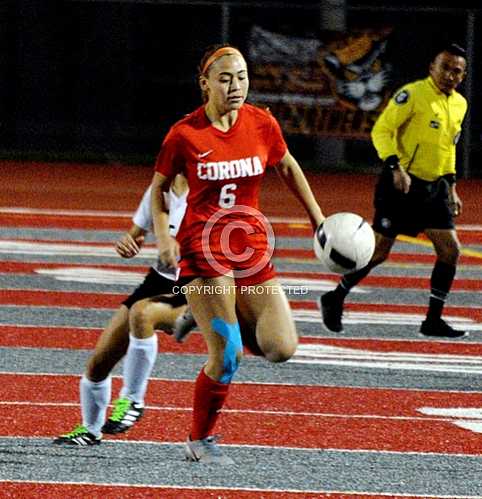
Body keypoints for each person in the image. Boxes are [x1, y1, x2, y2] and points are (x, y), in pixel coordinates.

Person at [151, 44, 325, 464]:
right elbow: (158, 189)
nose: (235, 86)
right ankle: (199, 440)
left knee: (281, 348)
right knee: (228, 356)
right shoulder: (184, 134)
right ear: (205, 83)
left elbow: (287, 166)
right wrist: (163, 238)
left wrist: (319, 219)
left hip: (250, 250)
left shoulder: (261, 123)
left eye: (242, 76)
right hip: (203, 251)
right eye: (225, 78)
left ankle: (204, 314)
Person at [320, 42, 468, 339]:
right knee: (378, 253)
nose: (450, 75)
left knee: (450, 251)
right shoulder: (412, 94)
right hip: (400, 186)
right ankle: (335, 297)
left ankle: (432, 320)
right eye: (445, 68)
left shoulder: (459, 104)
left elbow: (449, 147)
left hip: (434, 189)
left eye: (457, 71)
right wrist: (394, 167)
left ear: (462, 76)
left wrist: (451, 187)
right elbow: (381, 130)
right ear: (432, 68)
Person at [54, 175, 195, 446]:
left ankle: (133, 399)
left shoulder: (210, 191)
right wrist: (128, 244)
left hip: (195, 283)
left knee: (142, 314)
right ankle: (90, 430)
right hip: (158, 280)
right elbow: (135, 235)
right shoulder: (159, 190)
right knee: (98, 363)